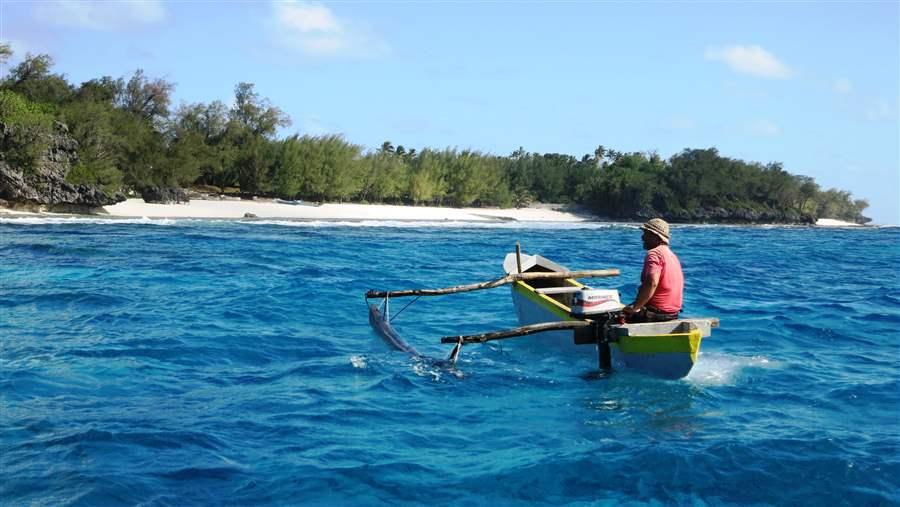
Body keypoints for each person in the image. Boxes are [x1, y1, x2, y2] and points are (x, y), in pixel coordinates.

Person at [622, 218, 683, 323]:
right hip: (673, 314)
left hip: (656, 314)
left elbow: (652, 282)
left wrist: (635, 308)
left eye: (645, 234)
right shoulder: (672, 255)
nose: (642, 238)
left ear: (655, 236)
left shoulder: (654, 253)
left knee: (610, 319)